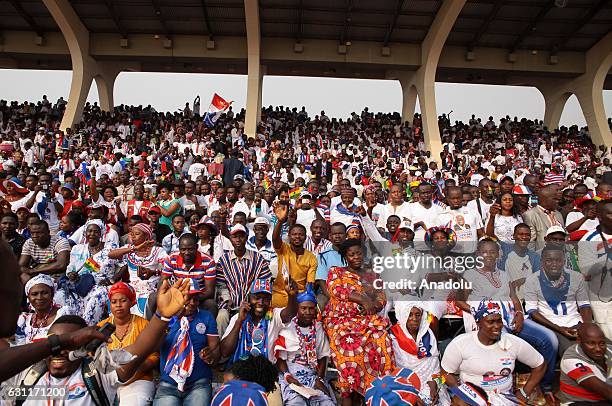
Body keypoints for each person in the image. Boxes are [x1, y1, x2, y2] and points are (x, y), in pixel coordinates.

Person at [3, 279, 191, 405]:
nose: (59, 351)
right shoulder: (26, 376)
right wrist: (54, 344)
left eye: (70, 345)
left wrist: (161, 316)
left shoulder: (98, 373)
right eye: (55, 343)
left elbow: (137, 349)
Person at [323, 239, 394, 405]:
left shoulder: (372, 275)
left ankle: (377, 392)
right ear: (345, 256)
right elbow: (336, 289)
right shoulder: (337, 272)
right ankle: (351, 390)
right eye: (351, 254)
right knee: (350, 354)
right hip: (341, 321)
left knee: (383, 343)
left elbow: (381, 297)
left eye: (358, 253)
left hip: (367, 320)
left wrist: (373, 306)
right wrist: (363, 299)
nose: (356, 257)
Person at [441, 299, 547, 405]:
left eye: (499, 321)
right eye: (490, 322)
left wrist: (524, 392)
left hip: (504, 397)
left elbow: (540, 364)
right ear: (478, 323)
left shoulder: (512, 342)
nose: (497, 326)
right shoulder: (461, 343)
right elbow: (445, 372)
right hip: (472, 397)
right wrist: (461, 392)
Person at [154, 279, 220, 406]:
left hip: (198, 383)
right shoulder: (165, 317)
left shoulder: (206, 317)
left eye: (196, 298)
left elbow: (216, 352)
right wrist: (172, 320)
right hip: (169, 384)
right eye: (187, 298)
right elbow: (155, 347)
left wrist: (210, 355)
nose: (192, 303)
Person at [525, 244, 593, 355]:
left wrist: (587, 327)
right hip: (550, 324)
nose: (554, 264)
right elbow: (532, 311)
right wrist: (559, 329)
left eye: (558, 260)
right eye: (549, 260)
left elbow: (584, 305)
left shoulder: (576, 277)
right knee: (572, 351)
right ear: (542, 261)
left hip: (575, 321)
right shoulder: (532, 280)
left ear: (564, 261)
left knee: (598, 343)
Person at [98, 282, 159, 405]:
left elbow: (154, 355)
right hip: (106, 381)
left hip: (138, 380)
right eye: (114, 302)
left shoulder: (143, 324)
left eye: (123, 301)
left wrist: (136, 368)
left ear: (132, 302)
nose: (118, 305)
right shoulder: (100, 327)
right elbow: (91, 356)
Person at [274, 285, 335, 406]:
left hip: (313, 376)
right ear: (297, 308)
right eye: (304, 308)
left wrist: (320, 379)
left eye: (311, 308)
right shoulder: (287, 327)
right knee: (296, 402)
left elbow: (323, 356)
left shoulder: (317, 327)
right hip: (291, 376)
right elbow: (280, 357)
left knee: (326, 402)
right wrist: (287, 377)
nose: (307, 312)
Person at [220, 277, 297, 366]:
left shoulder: (274, 316)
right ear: (249, 297)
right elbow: (225, 352)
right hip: (240, 372)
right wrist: (239, 321)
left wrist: (292, 296)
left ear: (270, 300)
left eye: (266, 299)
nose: (261, 302)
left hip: (265, 373)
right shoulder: (238, 317)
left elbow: (290, 313)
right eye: (257, 297)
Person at [55, 220, 119, 324]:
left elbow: (124, 263)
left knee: (97, 297)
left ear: (101, 233)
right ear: (85, 233)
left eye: (95, 231)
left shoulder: (109, 249)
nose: (92, 234)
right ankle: (68, 328)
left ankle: (87, 328)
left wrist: (112, 280)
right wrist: (71, 274)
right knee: (60, 296)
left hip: (100, 284)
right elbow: (71, 267)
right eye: (89, 231)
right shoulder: (77, 249)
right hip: (79, 284)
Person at [390, 302, 451, 405]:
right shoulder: (393, 337)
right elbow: (393, 373)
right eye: (410, 314)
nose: (414, 319)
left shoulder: (428, 334)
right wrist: (412, 393)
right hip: (404, 386)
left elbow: (436, 369)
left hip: (428, 385)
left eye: (418, 315)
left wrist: (434, 384)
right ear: (403, 315)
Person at [108, 223, 168, 318]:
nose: (132, 236)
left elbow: (168, 269)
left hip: (150, 287)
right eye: (132, 233)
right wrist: (135, 248)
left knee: (145, 299)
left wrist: (153, 272)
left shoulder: (157, 251)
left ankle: (141, 326)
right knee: (115, 294)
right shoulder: (129, 249)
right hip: (132, 287)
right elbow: (111, 254)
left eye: (137, 234)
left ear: (146, 237)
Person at [578, 199, 612, 340]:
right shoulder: (589, 239)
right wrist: (608, 258)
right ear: (599, 216)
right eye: (610, 214)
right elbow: (586, 271)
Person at [272, 203, 316, 308]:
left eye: (300, 234)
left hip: (299, 296)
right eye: (294, 234)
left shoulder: (311, 257)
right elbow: (275, 239)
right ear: (289, 236)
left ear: (305, 237)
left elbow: (310, 284)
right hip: (279, 293)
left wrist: (305, 294)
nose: (297, 237)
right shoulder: (284, 249)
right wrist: (280, 221)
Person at [161, 233, 217, 316]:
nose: (187, 253)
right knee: (154, 298)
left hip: (198, 298)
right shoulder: (171, 258)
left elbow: (210, 291)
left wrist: (190, 299)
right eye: (183, 249)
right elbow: (163, 281)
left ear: (197, 247)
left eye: (190, 249)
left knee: (211, 304)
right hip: (177, 297)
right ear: (179, 248)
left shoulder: (208, 261)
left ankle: (209, 328)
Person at [559, 323, 612, 404]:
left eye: (602, 343)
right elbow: (607, 392)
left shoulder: (609, 350)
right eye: (591, 343)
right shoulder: (571, 359)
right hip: (580, 402)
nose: (598, 349)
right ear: (579, 341)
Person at [14, 274, 70, 345]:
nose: (40, 297)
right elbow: (19, 347)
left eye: (45, 293)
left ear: (52, 294)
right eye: (34, 294)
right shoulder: (24, 320)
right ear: (28, 297)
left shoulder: (63, 314)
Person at [18, 220, 71, 284]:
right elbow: (21, 266)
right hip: (38, 272)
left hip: (57, 273)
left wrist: (32, 271)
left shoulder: (60, 241)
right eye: (32, 233)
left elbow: (61, 265)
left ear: (48, 232)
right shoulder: (29, 243)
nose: (35, 236)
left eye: (39, 233)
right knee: (24, 277)